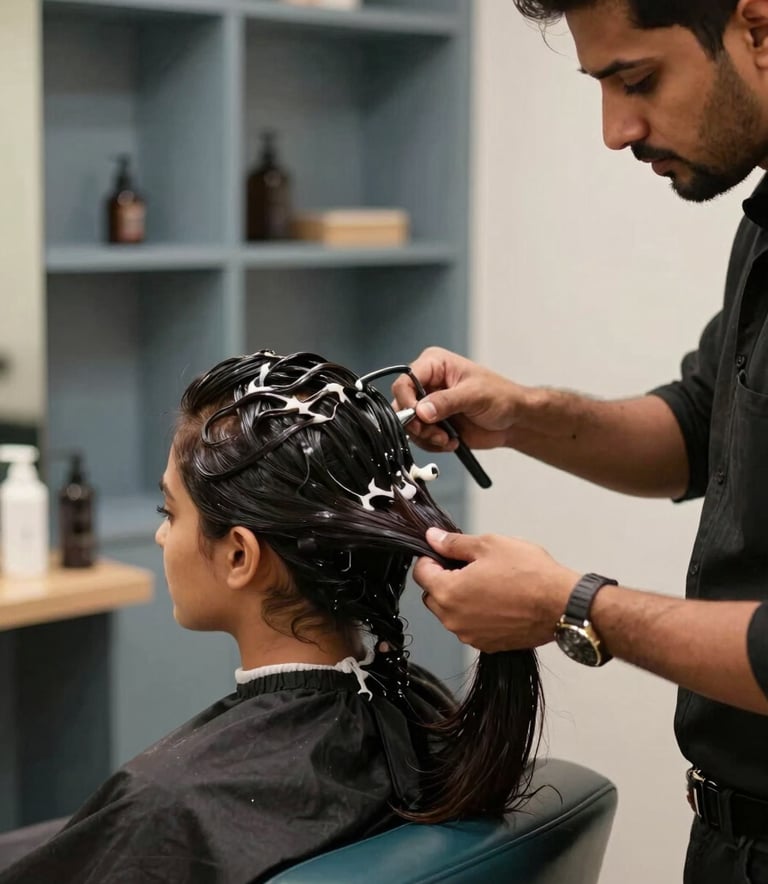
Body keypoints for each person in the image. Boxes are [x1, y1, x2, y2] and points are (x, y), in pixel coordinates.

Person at [392, 1, 768, 882]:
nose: (615, 130)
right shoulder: (764, 225)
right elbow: (699, 426)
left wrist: (573, 605)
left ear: (757, 29)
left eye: (638, 80)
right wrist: (521, 413)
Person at [0, 350, 541, 884]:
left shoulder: (164, 805)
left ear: (240, 555)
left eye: (170, 512)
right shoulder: (427, 713)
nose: (163, 535)